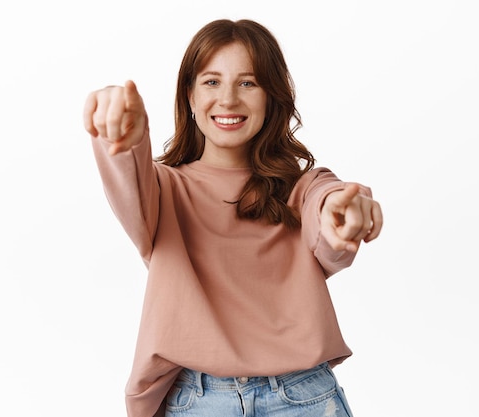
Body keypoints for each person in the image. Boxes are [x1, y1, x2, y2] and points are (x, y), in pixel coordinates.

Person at [83, 19, 383, 417]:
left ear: (272, 98)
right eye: (211, 82)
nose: (227, 99)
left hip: (302, 398)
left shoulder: (302, 187)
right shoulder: (162, 192)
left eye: (248, 83)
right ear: (188, 95)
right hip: (199, 400)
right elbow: (128, 178)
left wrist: (342, 216)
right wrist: (121, 132)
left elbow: (327, 207)